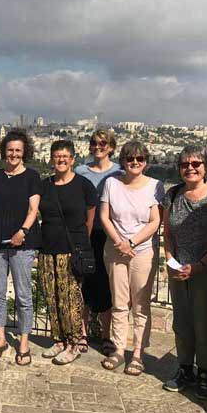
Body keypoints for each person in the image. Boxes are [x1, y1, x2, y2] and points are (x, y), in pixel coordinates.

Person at [99, 141, 164, 376]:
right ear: (123, 161)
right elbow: (104, 216)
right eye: (130, 159)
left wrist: (131, 243)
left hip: (142, 250)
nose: (135, 163)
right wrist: (120, 243)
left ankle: (137, 353)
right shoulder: (111, 183)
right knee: (118, 302)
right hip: (115, 248)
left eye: (140, 159)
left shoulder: (155, 186)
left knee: (140, 304)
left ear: (145, 161)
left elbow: (155, 221)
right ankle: (118, 349)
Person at [161, 146, 207, 398]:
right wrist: (170, 260)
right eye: (185, 164)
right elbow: (167, 233)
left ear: (206, 167)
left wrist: (199, 266)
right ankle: (185, 368)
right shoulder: (173, 195)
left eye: (196, 163)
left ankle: (205, 372)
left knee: (205, 322)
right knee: (182, 322)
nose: (190, 168)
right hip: (179, 269)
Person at [0, 129, 41, 366]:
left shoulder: (32, 177)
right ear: (4, 152)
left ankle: (24, 342)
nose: (14, 154)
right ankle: (0, 339)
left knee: (24, 295)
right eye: (10, 150)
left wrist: (22, 232)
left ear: (24, 152)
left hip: (22, 243)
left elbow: (33, 210)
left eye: (18, 150)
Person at [38, 140, 96, 365]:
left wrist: (82, 244)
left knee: (70, 299)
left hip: (71, 251)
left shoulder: (83, 185)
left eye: (65, 156)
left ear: (72, 159)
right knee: (52, 297)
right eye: (57, 156)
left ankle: (74, 343)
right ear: (52, 159)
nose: (61, 160)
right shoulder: (45, 185)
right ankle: (59, 340)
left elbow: (90, 218)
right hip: (47, 248)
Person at [74, 129, 123, 355]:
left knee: (105, 286)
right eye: (94, 143)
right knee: (82, 284)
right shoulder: (81, 171)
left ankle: (106, 335)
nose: (97, 146)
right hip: (84, 233)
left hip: (107, 234)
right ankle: (82, 334)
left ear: (111, 147)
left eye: (103, 143)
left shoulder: (119, 173)